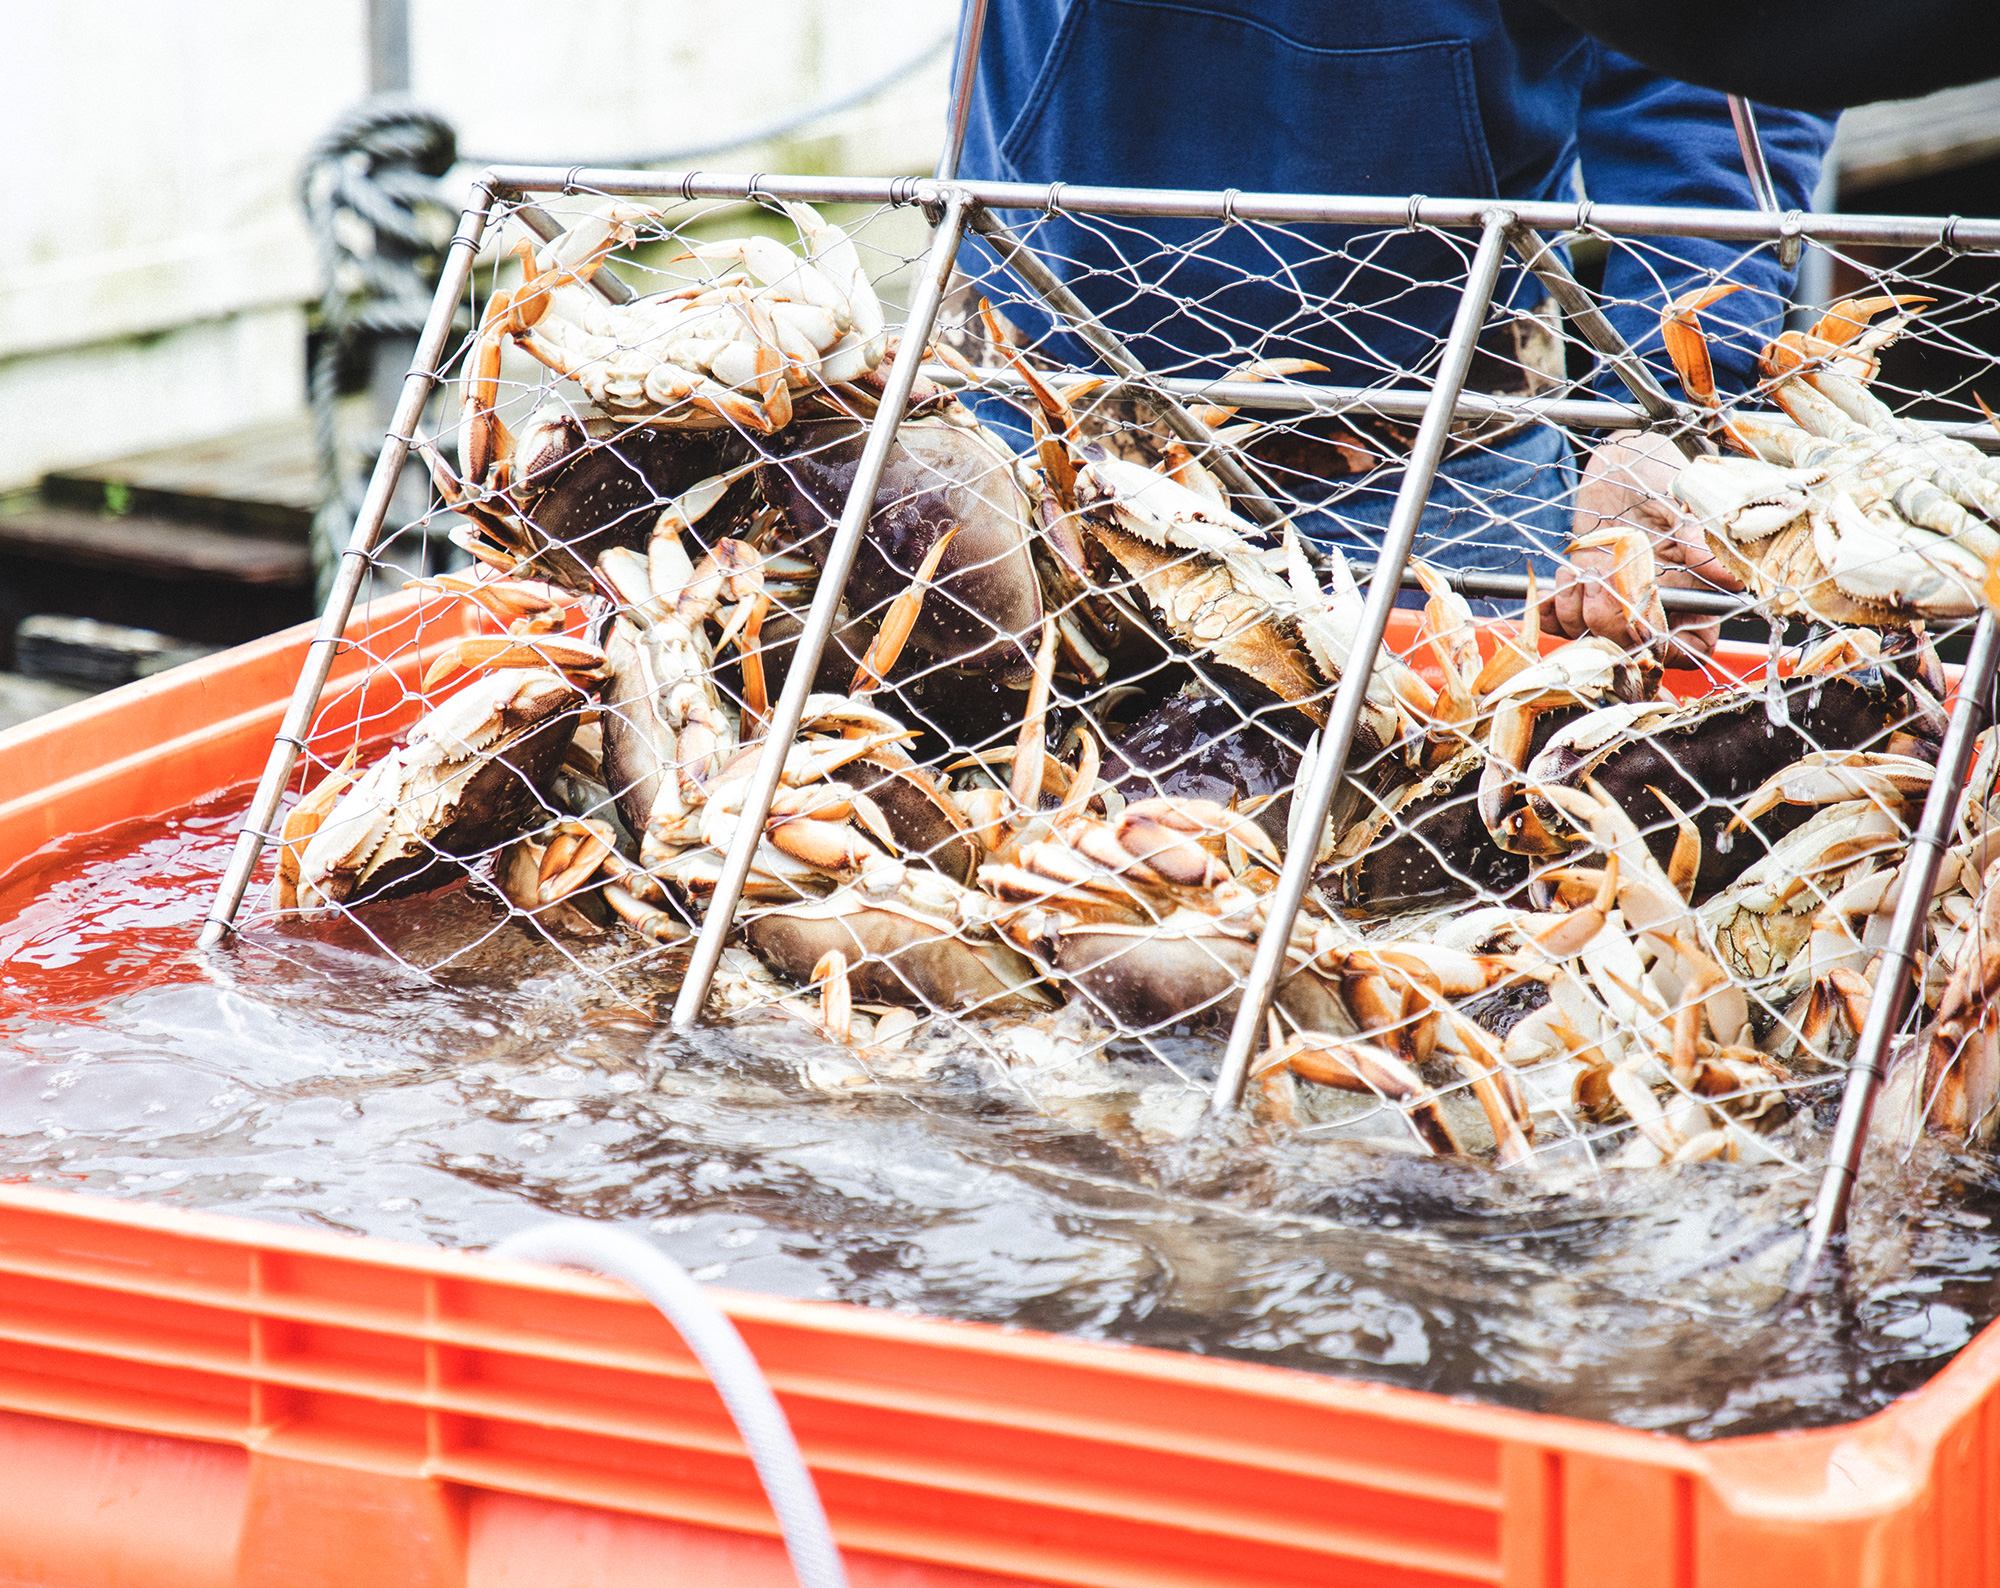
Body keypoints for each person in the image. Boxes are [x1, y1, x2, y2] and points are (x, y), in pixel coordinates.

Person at [949, 0, 1838, 659]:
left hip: (1436, 468)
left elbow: (1721, 57)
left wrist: (1665, 415)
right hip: (1016, 419)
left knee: (1452, 892)